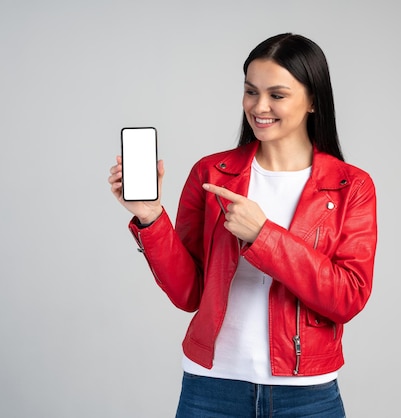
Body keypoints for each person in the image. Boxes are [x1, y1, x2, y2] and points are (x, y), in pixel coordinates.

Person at [108, 33, 377, 417]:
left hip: (305, 395)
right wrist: (151, 219)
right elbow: (188, 293)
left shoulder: (351, 185)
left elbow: (347, 297)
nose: (259, 106)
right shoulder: (212, 173)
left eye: (277, 95)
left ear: (313, 100)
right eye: (251, 91)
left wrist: (263, 236)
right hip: (211, 387)